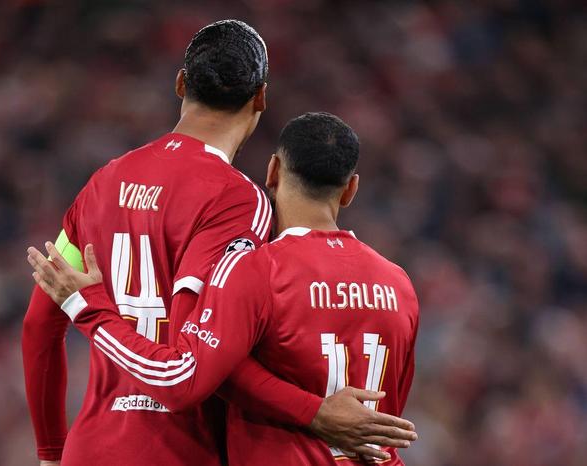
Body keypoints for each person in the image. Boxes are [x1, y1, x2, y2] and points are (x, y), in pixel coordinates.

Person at [22, 20, 417, 466]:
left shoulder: (102, 184)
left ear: (180, 83)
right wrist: (313, 412)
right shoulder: (239, 201)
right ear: (261, 97)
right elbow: (201, 359)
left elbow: (40, 323)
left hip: (91, 448)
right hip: (180, 450)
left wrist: (51, 451)